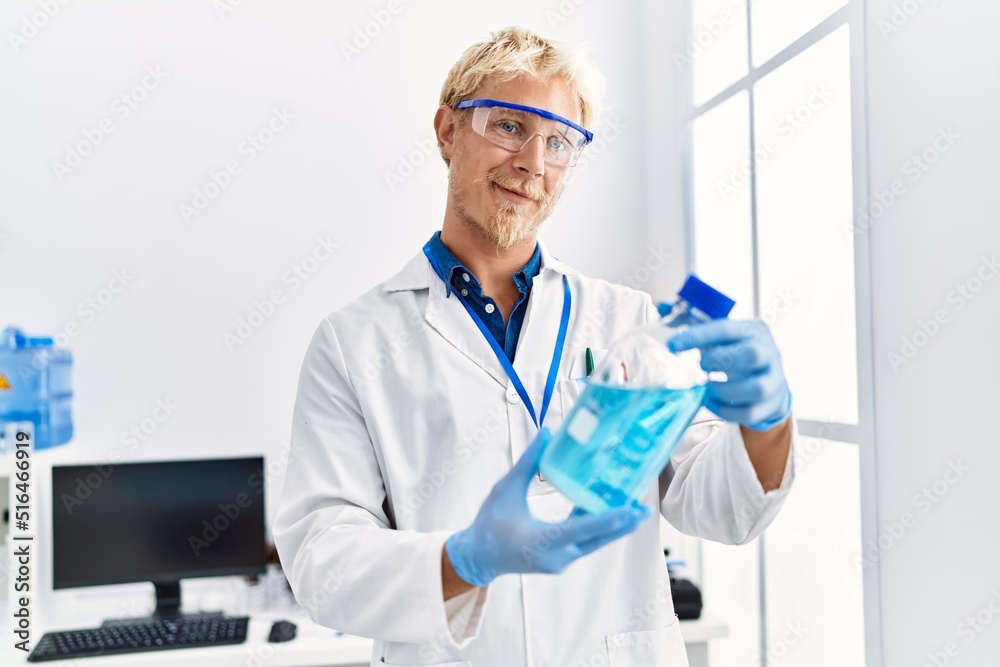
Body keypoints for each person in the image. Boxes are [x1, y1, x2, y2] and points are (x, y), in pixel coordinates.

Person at [274, 26, 796, 666]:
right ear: (447, 130)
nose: (534, 163)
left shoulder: (624, 321)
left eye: (559, 141)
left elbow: (722, 509)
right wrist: (466, 558)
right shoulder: (353, 342)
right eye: (510, 127)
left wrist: (766, 424)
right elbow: (322, 559)